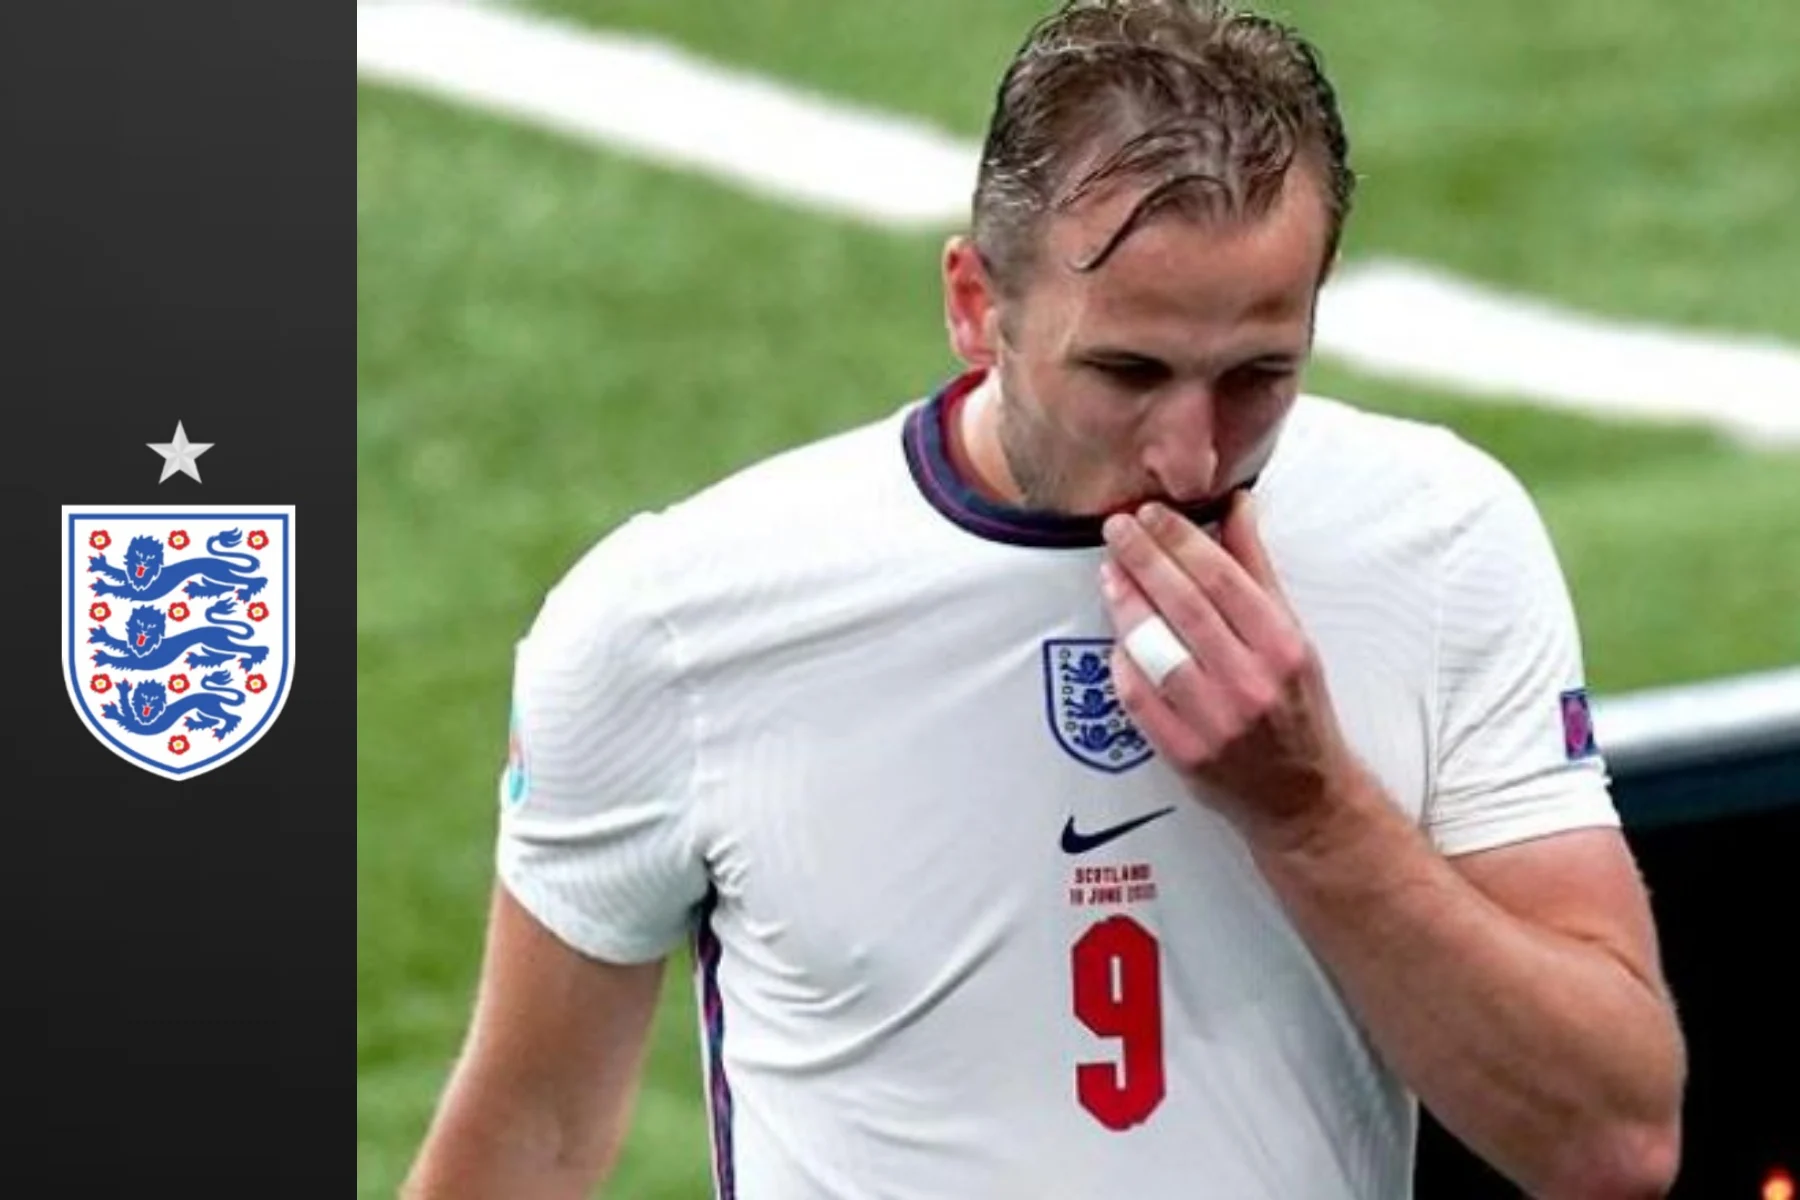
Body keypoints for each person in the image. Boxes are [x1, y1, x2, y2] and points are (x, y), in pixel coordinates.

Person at [401, 1, 1687, 1196]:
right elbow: (532, 1136)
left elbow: (1611, 1141)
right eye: (1128, 372)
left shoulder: (1440, 540)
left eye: (1258, 375)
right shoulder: (673, 624)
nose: (1191, 455)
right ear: (976, 305)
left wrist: (1311, 815)